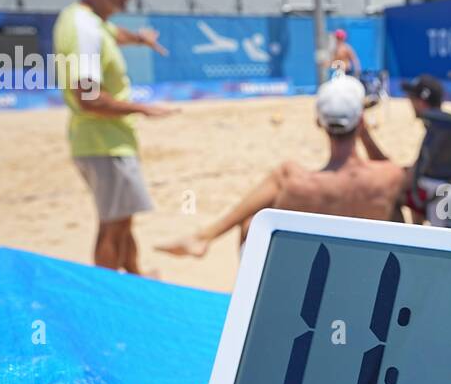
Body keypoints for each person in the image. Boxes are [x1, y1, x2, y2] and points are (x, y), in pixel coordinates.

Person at [156, 72, 407, 258]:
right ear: (361, 122)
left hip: (313, 275)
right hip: (370, 275)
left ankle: (204, 236)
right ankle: (202, 237)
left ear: (318, 123)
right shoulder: (388, 177)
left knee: (250, 223)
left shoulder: (293, 182)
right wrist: (363, 132)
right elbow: (389, 168)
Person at [55, 0, 176, 274]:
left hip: (102, 141)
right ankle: (107, 291)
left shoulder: (85, 20)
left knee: (122, 221)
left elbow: (113, 33)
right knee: (112, 225)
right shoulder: (85, 28)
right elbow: (89, 98)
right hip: (104, 143)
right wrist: (142, 108)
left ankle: (134, 280)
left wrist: (139, 38)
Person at [398, 74, 447, 224]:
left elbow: (416, 173)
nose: (409, 102)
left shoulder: (435, 130)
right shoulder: (448, 125)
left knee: (399, 191)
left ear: (422, 103)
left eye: (412, 98)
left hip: (440, 194)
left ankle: (415, 237)